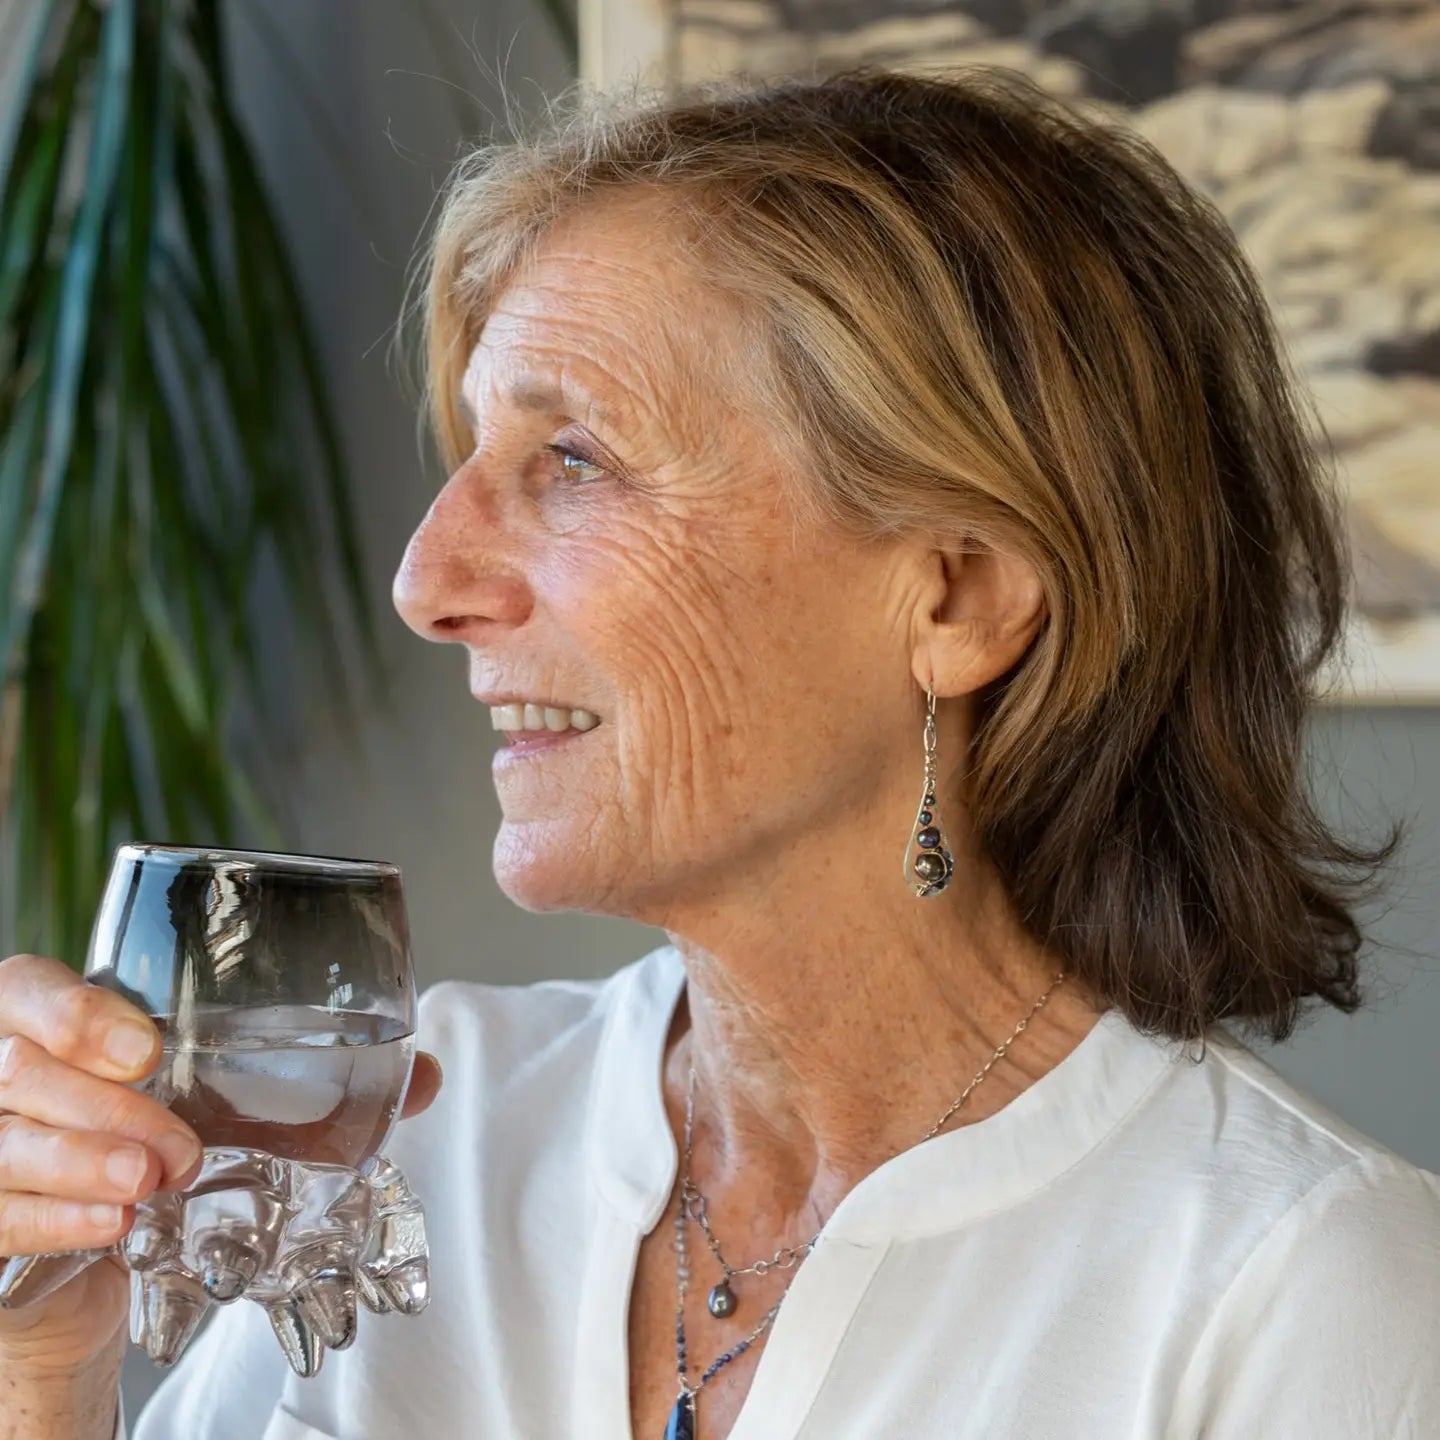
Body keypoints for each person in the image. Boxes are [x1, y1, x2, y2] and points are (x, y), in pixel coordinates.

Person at [2, 63, 1438, 1440]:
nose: (427, 581)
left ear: (958, 595)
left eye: (573, 460)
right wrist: (35, 1371)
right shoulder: (396, 1133)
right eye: (471, 456)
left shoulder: (1302, 1295)